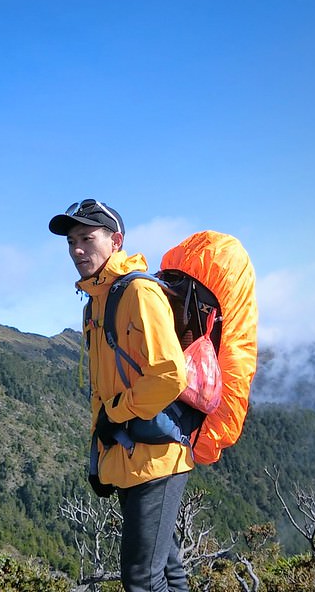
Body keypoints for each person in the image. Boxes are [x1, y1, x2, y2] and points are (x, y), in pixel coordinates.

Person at [49, 199, 193, 592]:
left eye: (87, 238)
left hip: (157, 457)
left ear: (115, 241)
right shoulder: (98, 301)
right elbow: (104, 392)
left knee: (141, 579)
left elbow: (169, 375)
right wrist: (99, 458)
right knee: (166, 572)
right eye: (72, 241)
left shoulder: (138, 293)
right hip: (131, 456)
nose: (77, 250)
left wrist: (115, 415)